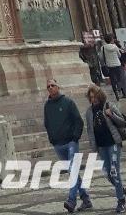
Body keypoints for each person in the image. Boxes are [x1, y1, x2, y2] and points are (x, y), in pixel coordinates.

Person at [44, 78, 90, 213]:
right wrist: (51, 138)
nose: (50, 88)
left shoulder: (68, 102)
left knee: (72, 170)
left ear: (58, 87)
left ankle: (71, 201)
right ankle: (86, 199)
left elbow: (78, 121)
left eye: (52, 85)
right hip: (58, 144)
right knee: (72, 171)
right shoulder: (47, 106)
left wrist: (75, 138)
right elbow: (47, 123)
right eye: (48, 86)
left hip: (71, 143)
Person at [85, 84, 126, 212]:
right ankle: (121, 189)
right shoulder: (89, 112)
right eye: (91, 97)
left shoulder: (108, 106)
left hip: (113, 143)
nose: (93, 99)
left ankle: (120, 200)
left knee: (114, 172)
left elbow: (122, 121)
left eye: (95, 96)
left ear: (100, 95)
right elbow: (90, 130)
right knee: (108, 173)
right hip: (101, 146)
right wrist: (93, 147)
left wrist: (111, 115)